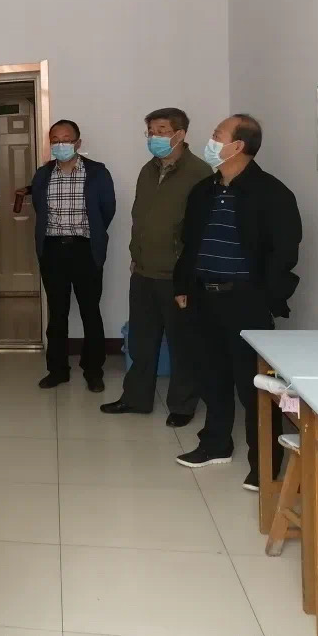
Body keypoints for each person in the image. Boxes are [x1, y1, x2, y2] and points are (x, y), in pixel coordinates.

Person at [173, 114, 301, 491]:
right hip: (202, 296)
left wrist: (267, 298)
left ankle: (264, 464)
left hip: (246, 300)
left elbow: (284, 253)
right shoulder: (204, 190)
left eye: (218, 135)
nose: (211, 140)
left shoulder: (272, 193)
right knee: (210, 374)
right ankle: (215, 444)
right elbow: (189, 244)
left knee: (253, 385)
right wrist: (183, 286)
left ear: (238, 146)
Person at [101, 108, 212, 427]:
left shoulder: (200, 173)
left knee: (182, 344)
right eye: (150, 131)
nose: (154, 137)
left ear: (180, 134)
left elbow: (201, 229)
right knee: (141, 341)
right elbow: (140, 216)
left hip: (178, 276)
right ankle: (136, 398)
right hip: (144, 271)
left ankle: (183, 405)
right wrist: (136, 254)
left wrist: (190, 274)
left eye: (161, 131)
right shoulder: (147, 170)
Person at [31, 120, 116, 393]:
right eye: (55, 140)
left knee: (91, 311)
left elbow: (107, 210)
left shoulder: (97, 172)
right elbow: (39, 208)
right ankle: (57, 370)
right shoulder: (43, 174)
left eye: (66, 139)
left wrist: (89, 234)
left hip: (85, 250)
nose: (60, 144)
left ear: (78, 142)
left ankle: (93, 370)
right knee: (57, 313)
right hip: (53, 250)